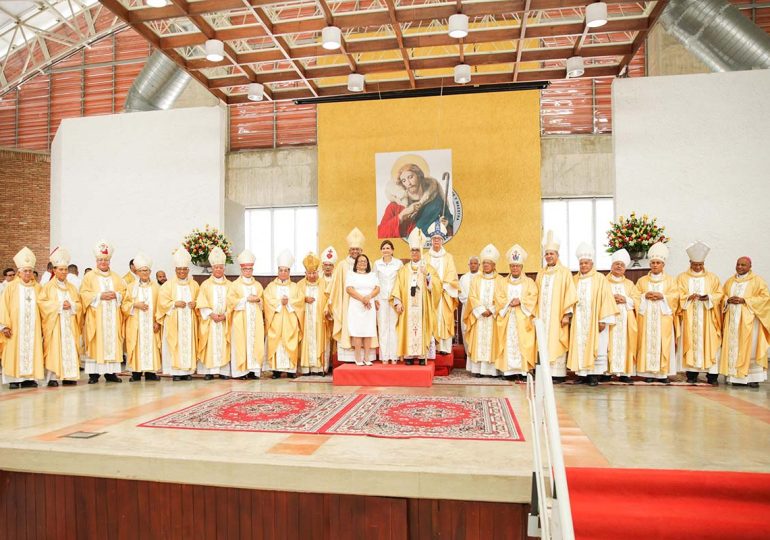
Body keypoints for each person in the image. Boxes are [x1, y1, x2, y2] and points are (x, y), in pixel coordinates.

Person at [567, 243, 618, 387]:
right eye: (581, 263)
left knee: (597, 345)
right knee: (580, 346)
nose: (583, 265)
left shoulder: (600, 278)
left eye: (586, 263)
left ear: (592, 263)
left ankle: (593, 375)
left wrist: (603, 320)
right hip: (579, 321)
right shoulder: (574, 279)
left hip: (595, 320)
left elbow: (606, 299)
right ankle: (582, 375)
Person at [391, 228, 441, 365]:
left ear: (421, 252)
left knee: (421, 328)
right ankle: (408, 356)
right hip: (408, 307)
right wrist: (398, 302)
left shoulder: (428, 268)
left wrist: (428, 276)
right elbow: (397, 287)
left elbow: (437, 286)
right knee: (409, 328)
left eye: (417, 250)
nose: (414, 253)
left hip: (422, 308)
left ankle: (421, 355)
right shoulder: (404, 270)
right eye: (412, 250)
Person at [79, 240, 126, 384]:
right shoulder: (89, 277)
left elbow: (124, 292)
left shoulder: (116, 277)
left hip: (112, 318)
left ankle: (111, 373)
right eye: (100, 260)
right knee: (96, 343)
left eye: (105, 260)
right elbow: (83, 294)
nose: (103, 262)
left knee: (111, 343)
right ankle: (94, 375)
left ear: (109, 261)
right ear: (96, 261)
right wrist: (100, 296)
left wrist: (117, 295)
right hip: (96, 318)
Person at [677, 241, 723, 386]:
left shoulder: (712, 278)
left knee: (710, 342)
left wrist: (708, 297)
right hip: (690, 316)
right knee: (691, 343)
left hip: (708, 316)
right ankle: (691, 374)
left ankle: (712, 376)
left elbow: (719, 294)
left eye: (700, 264)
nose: (697, 267)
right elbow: (677, 294)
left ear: (704, 263)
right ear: (690, 262)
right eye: (695, 264)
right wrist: (687, 297)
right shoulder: (682, 277)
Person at [720, 257, 770, 388]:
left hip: (750, 322)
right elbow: (722, 296)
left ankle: (753, 377)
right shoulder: (730, 281)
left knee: (751, 348)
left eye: (743, 265)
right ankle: (734, 376)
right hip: (732, 321)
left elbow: (765, 298)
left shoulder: (757, 281)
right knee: (733, 346)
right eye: (738, 264)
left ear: (750, 266)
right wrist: (727, 300)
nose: (740, 267)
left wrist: (745, 300)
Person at [377, 155, 454, 238]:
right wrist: (402, 215)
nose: (408, 183)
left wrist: (446, 226)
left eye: (410, 177)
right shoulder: (395, 206)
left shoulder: (437, 203)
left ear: (419, 175)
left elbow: (452, 229)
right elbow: (381, 233)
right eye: (404, 180)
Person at [535, 231, 577, 383]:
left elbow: (570, 293)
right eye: (546, 254)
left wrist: (567, 314)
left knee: (555, 341)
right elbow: (535, 293)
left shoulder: (565, 272)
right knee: (542, 342)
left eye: (551, 253)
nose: (549, 256)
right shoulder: (541, 273)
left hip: (557, 316)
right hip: (542, 316)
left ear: (557, 255)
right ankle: (543, 372)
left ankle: (557, 374)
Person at [328, 228, 374, 363]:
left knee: (365, 328)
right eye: (352, 249)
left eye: (358, 249)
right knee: (350, 327)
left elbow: (374, 283)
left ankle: (365, 357)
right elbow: (335, 285)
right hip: (347, 302)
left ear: (361, 251)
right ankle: (350, 358)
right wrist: (331, 302)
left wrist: (373, 299)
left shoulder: (368, 264)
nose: (355, 252)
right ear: (349, 250)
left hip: (366, 303)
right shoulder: (342, 265)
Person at [0, 247, 44, 389]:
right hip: (15, 328)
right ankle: (14, 379)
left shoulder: (38, 288)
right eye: (25, 270)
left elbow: (43, 307)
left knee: (32, 350)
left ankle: (29, 379)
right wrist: (3, 326)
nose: (28, 273)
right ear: (19, 272)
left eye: (30, 270)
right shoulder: (10, 287)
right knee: (13, 351)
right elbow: (3, 306)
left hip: (33, 328)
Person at [636, 242, 679, 384]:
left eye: (658, 263)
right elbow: (636, 296)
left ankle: (663, 373)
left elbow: (675, 297)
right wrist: (644, 296)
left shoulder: (670, 281)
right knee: (647, 342)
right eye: (653, 262)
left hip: (663, 318)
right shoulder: (642, 281)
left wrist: (663, 297)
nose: (655, 265)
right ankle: (649, 373)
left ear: (663, 265)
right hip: (647, 318)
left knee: (663, 343)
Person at [39, 248, 82, 387]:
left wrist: (72, 306)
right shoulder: (48, 287)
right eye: (61, 269)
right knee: (54, 348)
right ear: (54, 270)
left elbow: (79, 304)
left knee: (70, 347)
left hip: (69, 324)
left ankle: (69, 376)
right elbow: (42, 303)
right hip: (55, 324)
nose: (63, 272)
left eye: (65, 270)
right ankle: (53, 377)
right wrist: (58, 305)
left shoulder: (72, 288)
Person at [496, 245, 538, 381]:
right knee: (508, 342)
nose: (515, 268)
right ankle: (508, 372)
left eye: (517, 266)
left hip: (523, 319)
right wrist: (509, 302)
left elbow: (533, 296)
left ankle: (523, 371)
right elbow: (498, 297)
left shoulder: (529, 282)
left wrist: (520, 301)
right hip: (508, 318)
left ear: (521, 267)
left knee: (523, 343)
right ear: (510, 267)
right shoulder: (502, 282)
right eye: (512, 266)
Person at [157, 248, 199, 382]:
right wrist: (174, 304)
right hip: (174, 322)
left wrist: (195, 304)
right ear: (175, 270)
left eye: (184, 269)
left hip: (189, 321)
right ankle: (175, 372)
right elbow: (162, 302)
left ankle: (187, 371)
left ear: (188, 270)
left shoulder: (194, 285)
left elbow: (201, 300)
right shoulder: (168, 285)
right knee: (175, 344)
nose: (182, 272)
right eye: (179, 269)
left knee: (187, 344)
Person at [464, 244, 506, 377]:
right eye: (484, 263)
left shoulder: (501, 280)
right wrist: (481, 310)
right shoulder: (476, 279)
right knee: (479, 343)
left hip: (493, 317)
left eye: (488, 263)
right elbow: (472, 296)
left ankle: (492, 370)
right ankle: (478, 370)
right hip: (479, 317)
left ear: (494, 264)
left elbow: (502, 297)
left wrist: (492, 310)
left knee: (493, 342)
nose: (486, 265)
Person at [122, 254, 161, 382]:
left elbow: (160, 305)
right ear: (137, 272)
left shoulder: (156, 287)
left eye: (147, 270)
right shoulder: (131, 287)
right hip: (136, 323)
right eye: (142, 270)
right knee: (136, 345)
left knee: (152, 345)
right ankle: (136, 373)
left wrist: (157, 321)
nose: (145, 273)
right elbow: (124, 305)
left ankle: (151, 373)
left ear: (150, 271)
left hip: (151, 323)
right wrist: (135, 305)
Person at [226, 249, 264, 380]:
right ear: (241, 270)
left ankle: (254, 370)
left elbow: (263, 302)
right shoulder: (235, 285)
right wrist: (246, 299)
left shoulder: (258, 285)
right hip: (240, 320)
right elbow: (230, 302)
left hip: (255, 320)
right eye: (246, 269)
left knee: (255, 342)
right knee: (241, 344)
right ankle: (241, 372)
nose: (248, 271)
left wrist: (258, 300)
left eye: (250, 269)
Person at [264, 250, 302, 378]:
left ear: (289, 272)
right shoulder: (270, 286)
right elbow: (267, 301)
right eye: (281, 270)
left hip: (290, 320)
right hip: (276, 320)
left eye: (286, 270)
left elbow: (300, 301)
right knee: (277, 342)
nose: (283, 273)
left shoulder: (295, 287)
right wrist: (280, 303)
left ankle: (291, 370)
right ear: (278, 271)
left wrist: (289, 302)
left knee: (290, 341)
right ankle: (276, 371)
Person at [196, 247, 232, 380]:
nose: (218, 270)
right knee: (209, 344)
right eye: (216, 267)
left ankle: (223, 371)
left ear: (224, 269)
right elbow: (201, 302)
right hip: (210, 321)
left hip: (224, 320)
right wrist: (211, 314)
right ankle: (209, 371)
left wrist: (225, 315)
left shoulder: (230, 285)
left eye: (221, 267)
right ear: (212, 268)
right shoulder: (205, 285)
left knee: (223, 344)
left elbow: (232, 303)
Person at [605, 249, 640, 384]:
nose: (619, 266)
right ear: (611, 266)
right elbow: (600, 298)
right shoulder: (604, 282)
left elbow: (637, 300)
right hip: (609, 317)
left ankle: (625, 373)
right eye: (616, 264)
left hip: (625, 319)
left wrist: (625, 299)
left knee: (625, 344)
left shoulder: (629, 284)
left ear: (625, 268)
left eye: (622, 265)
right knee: (608, 343)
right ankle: (607, 372)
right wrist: (612, 299)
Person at [426, 220, 459, 356]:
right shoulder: (425, 257)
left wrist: (443, 287)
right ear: (431, 240)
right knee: (430, 318)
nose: (436, 242)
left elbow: (452, 275)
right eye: (434, 239)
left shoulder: (448, 257)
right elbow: (423, 274)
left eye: (439, 239)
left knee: (445, 318)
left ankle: (444, 348)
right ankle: (431, 348)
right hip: (430, 294)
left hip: (444, 294)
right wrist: (430, 284)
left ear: (443, 240)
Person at [297, 252, 329, 375]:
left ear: (317, 272)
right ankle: (306, 368)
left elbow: (329, 298)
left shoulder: (324, 283)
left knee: (319, 339)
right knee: (306, 339)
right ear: (305, 273)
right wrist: (304, 299)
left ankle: (319, 368)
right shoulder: (300, 285)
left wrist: (327, 309)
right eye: (309, 273)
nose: (311, 275)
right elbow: (295, 300)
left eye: (314, 273)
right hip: (305, 319)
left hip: (319, 318)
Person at [345, 254, 380, 366]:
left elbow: (377, 288)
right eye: (360, 261)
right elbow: (349, 289)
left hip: (369, 306)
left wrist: (369, 297)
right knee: (357, 332)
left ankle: (366, 357)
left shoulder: (372, 275)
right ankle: (358, 358)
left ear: (368, 263)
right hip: (356, 305)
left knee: (368, 331)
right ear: (356, 263)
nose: (362, 263)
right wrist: (363, 299)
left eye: (365, 261)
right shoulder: (351, 274)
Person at [374, 240, 403, 364]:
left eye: (388, 248)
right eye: (384, 248)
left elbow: (401, 283)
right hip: (381, 299)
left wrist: (399, 301)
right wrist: (375, 299)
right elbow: (374, 282)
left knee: (394, 327)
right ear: (381, 250)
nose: (386, 250)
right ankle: (384, 356)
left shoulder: (398, 264)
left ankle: (394, 356)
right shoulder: (377, 264)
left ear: (392, 250)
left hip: (394, 299)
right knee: (383, 327)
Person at [320, 245, 337, 369]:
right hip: (320, 314)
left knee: (334, 338)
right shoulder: (317, 280)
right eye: (325, 264)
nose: (327, 267)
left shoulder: (336, 280)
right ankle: (324, 364)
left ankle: (333, 363)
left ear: (333, 266)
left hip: (333, 313)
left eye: (330, 265)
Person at [458, 255, 480, 346]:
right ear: (469, 265)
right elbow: (460, 292)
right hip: (466, 308)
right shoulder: (464, 278)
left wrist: (476, 304)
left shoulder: (482, 277)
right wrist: (470, 303)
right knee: (465, 329)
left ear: (479, 265)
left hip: (479, 310)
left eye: (475, 263)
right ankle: (468, 355)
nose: (473, 265)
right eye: (471, 263)